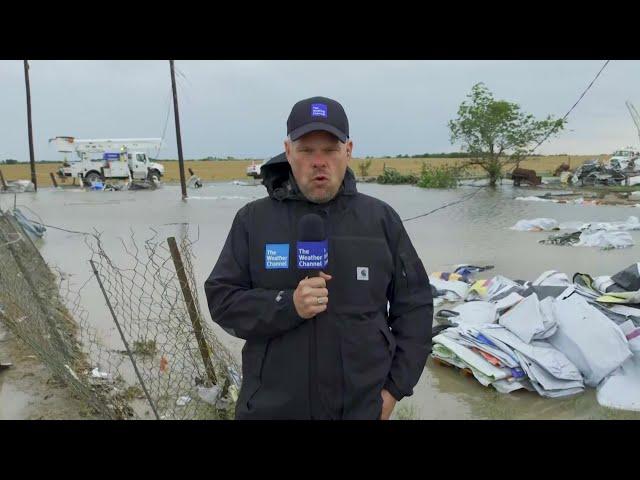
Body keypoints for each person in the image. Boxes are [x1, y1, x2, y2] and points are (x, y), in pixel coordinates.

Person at [204, 96, 433, 420]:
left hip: (359, 411)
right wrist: (287, 304)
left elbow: (416, 308)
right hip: (271, 411)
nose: (318, 161)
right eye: (306, 150)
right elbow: (222, 300)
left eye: (329, 150)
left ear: (348, 151)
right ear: (288, 151)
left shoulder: (381, 221)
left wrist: (395, 389)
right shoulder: (252, 221)